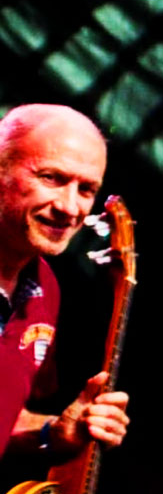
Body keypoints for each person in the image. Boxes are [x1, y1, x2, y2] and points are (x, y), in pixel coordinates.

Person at [0, 104, 129, 461]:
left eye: (86, 190)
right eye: (51, 178)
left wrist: (51, 434)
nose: (70, 208)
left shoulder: (45, 290)